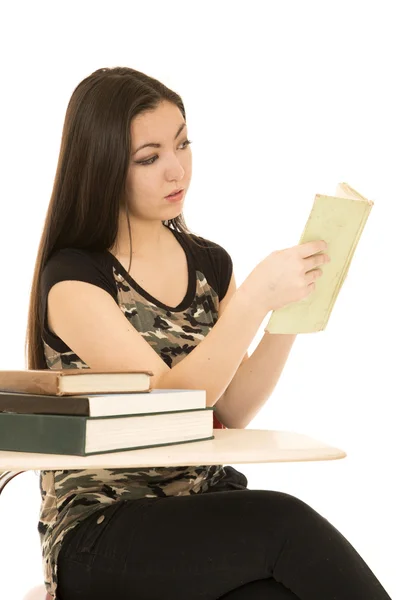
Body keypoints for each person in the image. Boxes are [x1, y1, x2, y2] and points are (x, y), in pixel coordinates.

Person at [25, 66, 391, 600]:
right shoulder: (74, 280)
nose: (176, 170)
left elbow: (232, 409)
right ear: (103, 168)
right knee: (284, 522)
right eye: (149, 158)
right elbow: (173, 407)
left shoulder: (209, 265)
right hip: (105, 530)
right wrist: (254, 300)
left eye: (182, 144)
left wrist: (287, 313)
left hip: (202, 515)